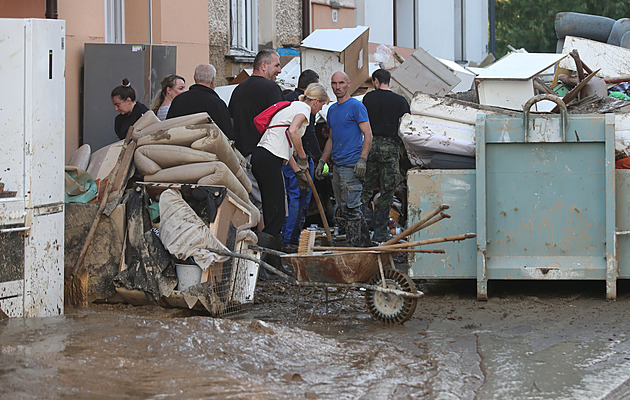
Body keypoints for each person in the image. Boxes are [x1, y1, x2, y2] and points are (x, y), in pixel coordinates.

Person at [251, 83, 329, 243]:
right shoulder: (304, 109)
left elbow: (287, 147)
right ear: (316, 101)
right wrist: (303, 158)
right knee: (277, 214)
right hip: (269, 159)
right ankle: (270, 256)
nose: (320, 109)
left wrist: (298, 171)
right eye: (322, 104)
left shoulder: (292, 107)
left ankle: (269, 256)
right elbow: (293, 132)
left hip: (262, 157)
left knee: (272, 211)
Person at [316, 71, 373, 247]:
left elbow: (368, 134)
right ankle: (366, 244)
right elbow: (331, 139)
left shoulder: (356, 107)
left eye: (341, 83)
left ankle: (353, 247)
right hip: (338, 167)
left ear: (348, 84)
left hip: (352, 165)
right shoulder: (332, 109)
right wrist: (323, 161)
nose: (337, 87)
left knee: (351, 209)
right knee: (346, 209)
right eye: (334, 83)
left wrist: (362, 159)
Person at [228, 49, 284, 213]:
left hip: (241, 157)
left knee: (250, 204)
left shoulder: (238, 90)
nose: (279, 71)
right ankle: (266, 238)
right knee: (271, 207)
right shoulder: (272, 88)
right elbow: (279, 124)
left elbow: (231, 121)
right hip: (266, 157)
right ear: (264, 65)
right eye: (277, 65)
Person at [361, 69, 410, 242]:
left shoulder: (368, 98)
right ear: (388, 81)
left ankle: (360, 230)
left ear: (375, 81)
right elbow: (407, 125)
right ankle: (381, 231)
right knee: (387, 190)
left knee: (365, 189)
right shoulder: (400, 100)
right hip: (390, 148)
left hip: (371, 145)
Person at [281, 69, 323, 249]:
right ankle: (291, 239)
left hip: (285, 156)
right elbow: (306, 133)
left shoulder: (288, 98)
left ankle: (285, 235)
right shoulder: (307, 106)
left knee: (289, 198)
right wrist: (315, 157)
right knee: (299, 197)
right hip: (298, 157)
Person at [166, 64, 233, 138]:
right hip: (207, 148)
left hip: (179, 147)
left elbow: (168, 127)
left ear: (194, 77)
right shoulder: (218, 104)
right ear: (213, 80)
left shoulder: (178, 100)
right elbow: (227, 134)